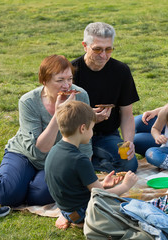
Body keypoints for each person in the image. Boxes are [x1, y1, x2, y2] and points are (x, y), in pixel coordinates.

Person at [0, 55, 92, 207]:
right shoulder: (28, 101)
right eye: (60, 80)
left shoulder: (80, 95)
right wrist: (58, 115)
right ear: (44, 81)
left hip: (56, 158)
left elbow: (84, 138)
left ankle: (17, 185)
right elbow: (38, 151)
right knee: (8, 196)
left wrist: (85, 173)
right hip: (25, 153)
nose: (67, 85)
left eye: (69, 79)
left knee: (39, 197)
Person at [45, 100, 138, 229]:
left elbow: (72, 187)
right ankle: (86, 222)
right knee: (136, 206)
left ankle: (74, 219)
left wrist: (103, 185)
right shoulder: (79, 159)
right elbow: (101, 197)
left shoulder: (54, 150)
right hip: (84, 212)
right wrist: (126, 185)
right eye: (92, 128)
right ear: (83, 128)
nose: (92, 133)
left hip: (67, 211)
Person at [72, 22, 139, 173]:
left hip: (107, 135)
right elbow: (62, 116)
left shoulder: (121, 71)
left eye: (108, 49)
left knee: (129, 164)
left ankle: (91, 163)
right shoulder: (71, 72)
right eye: (97, 49)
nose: (103, 55)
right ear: (85, 46)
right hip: (76, 134)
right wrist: (89, 117)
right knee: (70, 166)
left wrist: (128, 142)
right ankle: (93, 164)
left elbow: (127, 114)